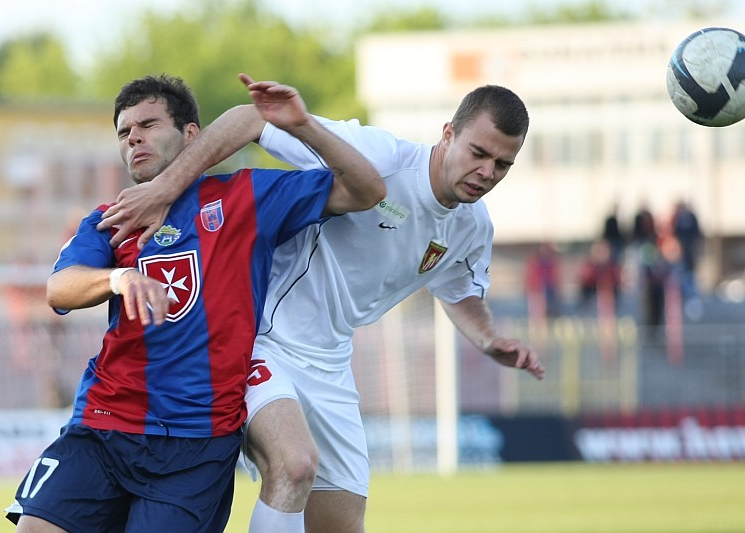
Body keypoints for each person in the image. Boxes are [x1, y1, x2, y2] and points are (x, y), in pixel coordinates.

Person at [97, 77, 546, 533]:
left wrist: (489, 339)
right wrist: (165, 188)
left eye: (502, 164)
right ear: (448, 134)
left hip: (331, 364)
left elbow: (459, 291)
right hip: (261, 340)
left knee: (341, 524)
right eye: (478, 153)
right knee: (293, 464)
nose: (487, 172)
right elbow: (250, 118)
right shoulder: (381, 157)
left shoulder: (472, 227)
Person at [5, 73, 384, 532]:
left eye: (148, 124)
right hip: (104, 425)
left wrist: (303, 126)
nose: (134, 138)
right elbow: (60, 289)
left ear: (191, 134)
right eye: (124, 132)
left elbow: (368, 190)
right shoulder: (112, 218)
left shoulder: (245, 197)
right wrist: (119, 277)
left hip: (195, 445)